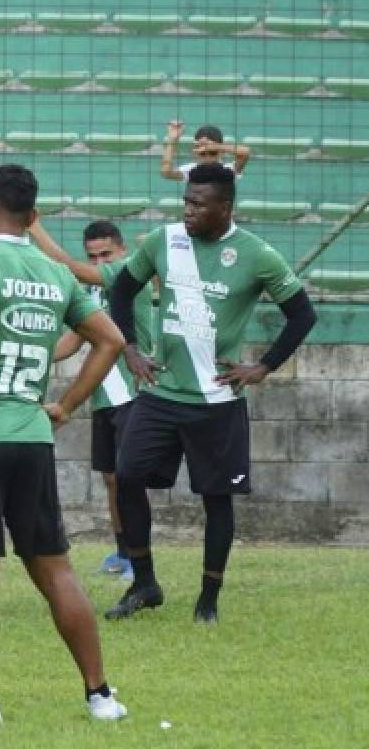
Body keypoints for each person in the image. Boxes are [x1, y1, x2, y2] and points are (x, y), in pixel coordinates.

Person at [0, 164, 128, 724]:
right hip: (31, 437)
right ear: (34, 217)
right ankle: (100, 695)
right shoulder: (55, 274)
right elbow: (110, 339)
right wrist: (65, 405)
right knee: (55, 569)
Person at [105, 163, 316, 623]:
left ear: (225, 207)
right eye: (186, 201)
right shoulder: (163, 241)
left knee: (216, 499)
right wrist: (131, 350)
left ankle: (208, 601)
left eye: (199, 204)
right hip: (161, 396)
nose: (188, 210)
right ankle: (144, 583)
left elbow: (302, 315)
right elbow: (120, 292)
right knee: (126, 475)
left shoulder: (257, 255)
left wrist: (263, 366)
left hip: (217, 403)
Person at [28, 218, 158, 580]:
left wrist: (34, 226)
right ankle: (122, 552)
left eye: (106, 254)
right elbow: (74, 340)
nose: (101, 262)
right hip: (103, 397)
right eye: (93, 256)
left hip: (135, 393)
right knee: (112, 479)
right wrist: (34, 354)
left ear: (123, 252)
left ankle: (139, 557)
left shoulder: (130, 279)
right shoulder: (94, 295)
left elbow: (70, 270)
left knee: (128, 479)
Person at [160, 121, 251, 184]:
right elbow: (166, 172)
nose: (207, 158)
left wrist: (216, 146)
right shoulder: (191, 170)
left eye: (212, 153)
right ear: (195, 153)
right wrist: (172, 140)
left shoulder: (229, 170)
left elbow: (245, 152)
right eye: (202, 154)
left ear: (221, 153)